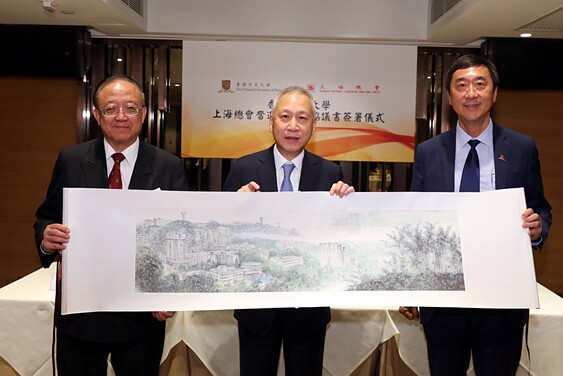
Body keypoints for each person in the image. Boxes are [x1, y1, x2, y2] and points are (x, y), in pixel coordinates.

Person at [399, 54, 552, 375]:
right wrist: (410, 287)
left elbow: (541, 208)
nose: (471, 93)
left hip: (502, 296)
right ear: (450, 98)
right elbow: (414, 221)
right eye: (462, 85)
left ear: (494, 94)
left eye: (480, 85)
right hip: (444, 296)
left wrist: (537, 228)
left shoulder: (522, 148)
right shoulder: (428, 152)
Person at [34, 75, 188, 376]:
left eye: (130, 108)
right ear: (96, 115)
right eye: (110, 108)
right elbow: (46, 216)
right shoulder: (71, 159)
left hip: (140, 316)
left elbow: (179, 233)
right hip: (81, 313)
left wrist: (168, 292)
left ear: (143, 114)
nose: (121, 116)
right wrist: (46, 236)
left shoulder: (168, 166)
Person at [223, 86, 354, 376]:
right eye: (285, 116)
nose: (293, 126)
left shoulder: (330, 172)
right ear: (271, 122)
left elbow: (340, 235)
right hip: (257, 309)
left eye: (302, 118)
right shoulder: (243, 168)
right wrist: (235, 205)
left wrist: (347, 206)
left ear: (314, 126)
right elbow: (226, 233)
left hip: (308, 309)